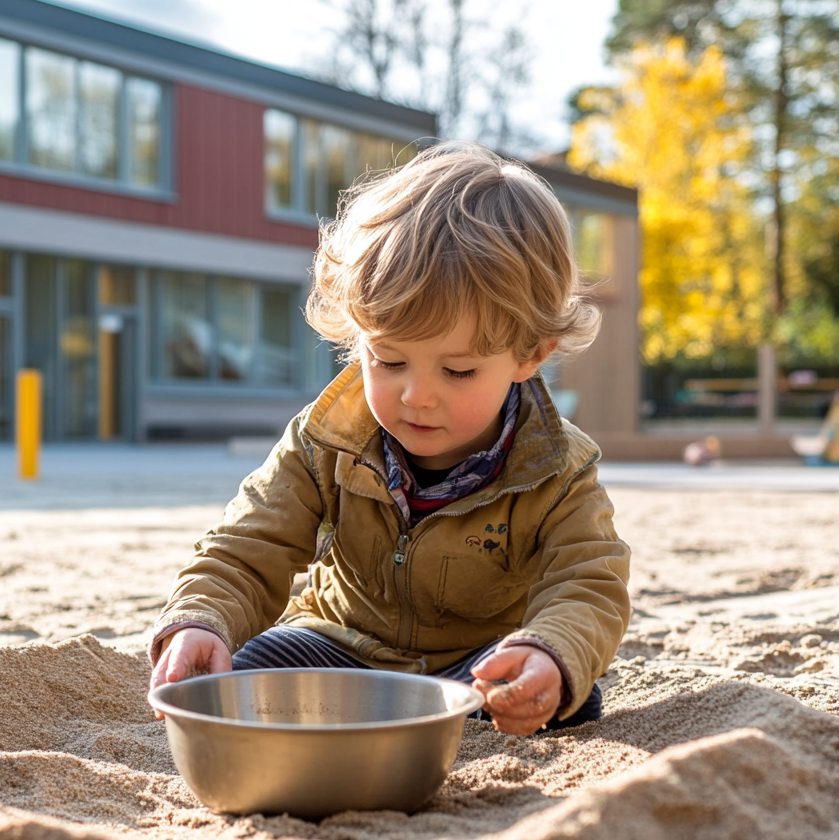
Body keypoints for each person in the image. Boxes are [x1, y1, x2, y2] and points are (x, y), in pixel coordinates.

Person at [148, 142, 630, 735]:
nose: (416, 396)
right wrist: (201, 619)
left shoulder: (557, 470)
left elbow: (587, 582)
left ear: (530, 353)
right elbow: (248, 545)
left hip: (473, 666)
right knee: (252, 670)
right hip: (339, 648)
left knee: (566, 695)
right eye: (389, 360)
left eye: (457, 371)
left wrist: (551, 650)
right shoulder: (325, 439)